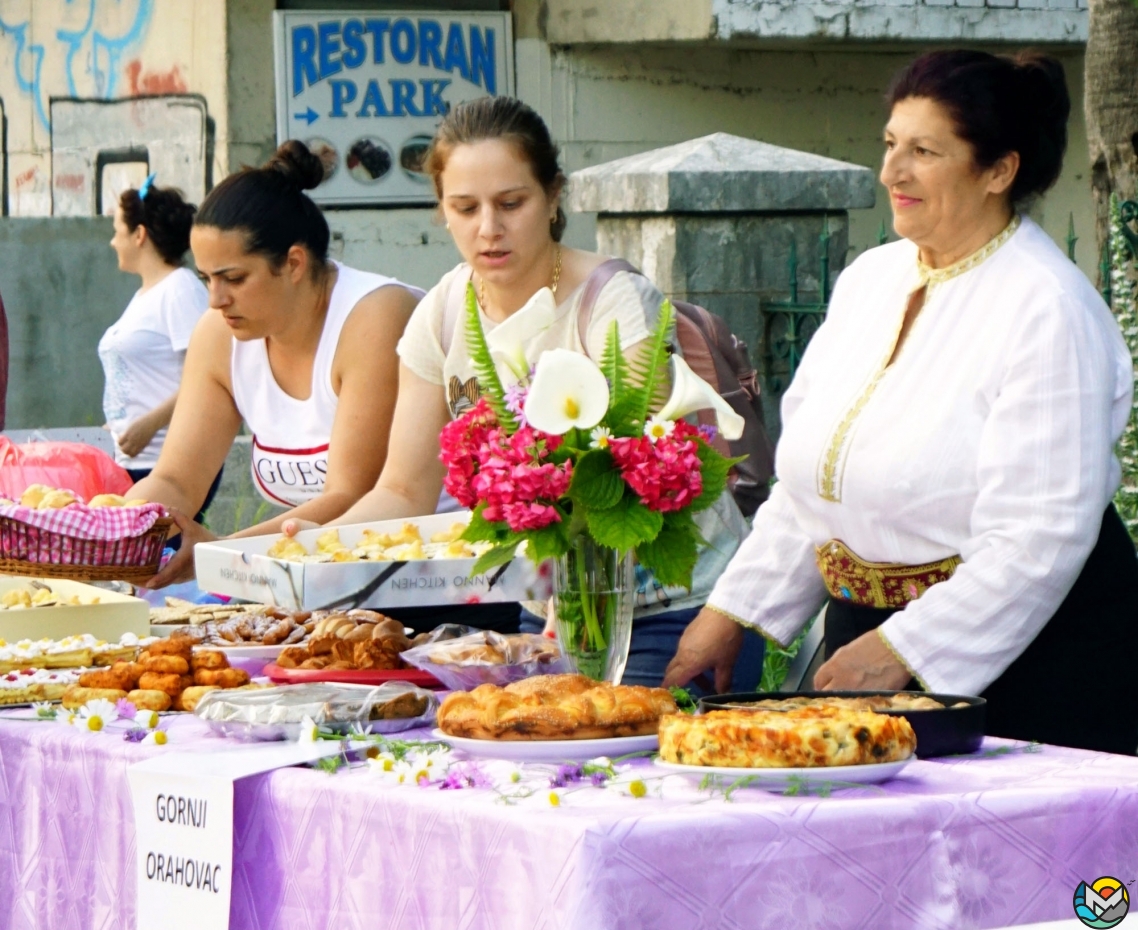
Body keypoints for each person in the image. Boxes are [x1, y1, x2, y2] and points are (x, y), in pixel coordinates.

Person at [664, 50, 1138, 755]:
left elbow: (1038, 536)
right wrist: (734, 611)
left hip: (1032, 662)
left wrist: (908, 648)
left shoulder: (1048, 307)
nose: (891, 172)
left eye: (923, 151)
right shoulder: (870, 281)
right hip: (869, 643)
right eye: (890, 144)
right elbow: (813, 486)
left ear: (999, 171)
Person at [311, 96, 762, 678]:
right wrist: (310, 548)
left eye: (511, 203)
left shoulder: (615, 300)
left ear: (553, 197)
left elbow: (626, 474)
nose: (488, 229)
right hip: (549, 608)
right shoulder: (444, 310)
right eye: (464, 208)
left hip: (675, 612)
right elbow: (403, 490)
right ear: (441, 210)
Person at [133, 141, 423, 586]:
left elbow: (351, 495)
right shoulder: (219, 333)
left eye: (233, 278)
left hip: (427, 578)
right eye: (206, 279)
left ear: (293, 263)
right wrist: (112, 525)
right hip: (319, 577)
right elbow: (175, 479)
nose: (216, 299)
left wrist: (221, 554)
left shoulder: (374, 316)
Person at [99, 179, 220, 523]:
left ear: (139, 235)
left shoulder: (179, 289)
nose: (112, 241)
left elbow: (207, 377)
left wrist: (149, 424)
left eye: (116, 230)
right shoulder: (146, 294)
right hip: (137, 460)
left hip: (171, 461)